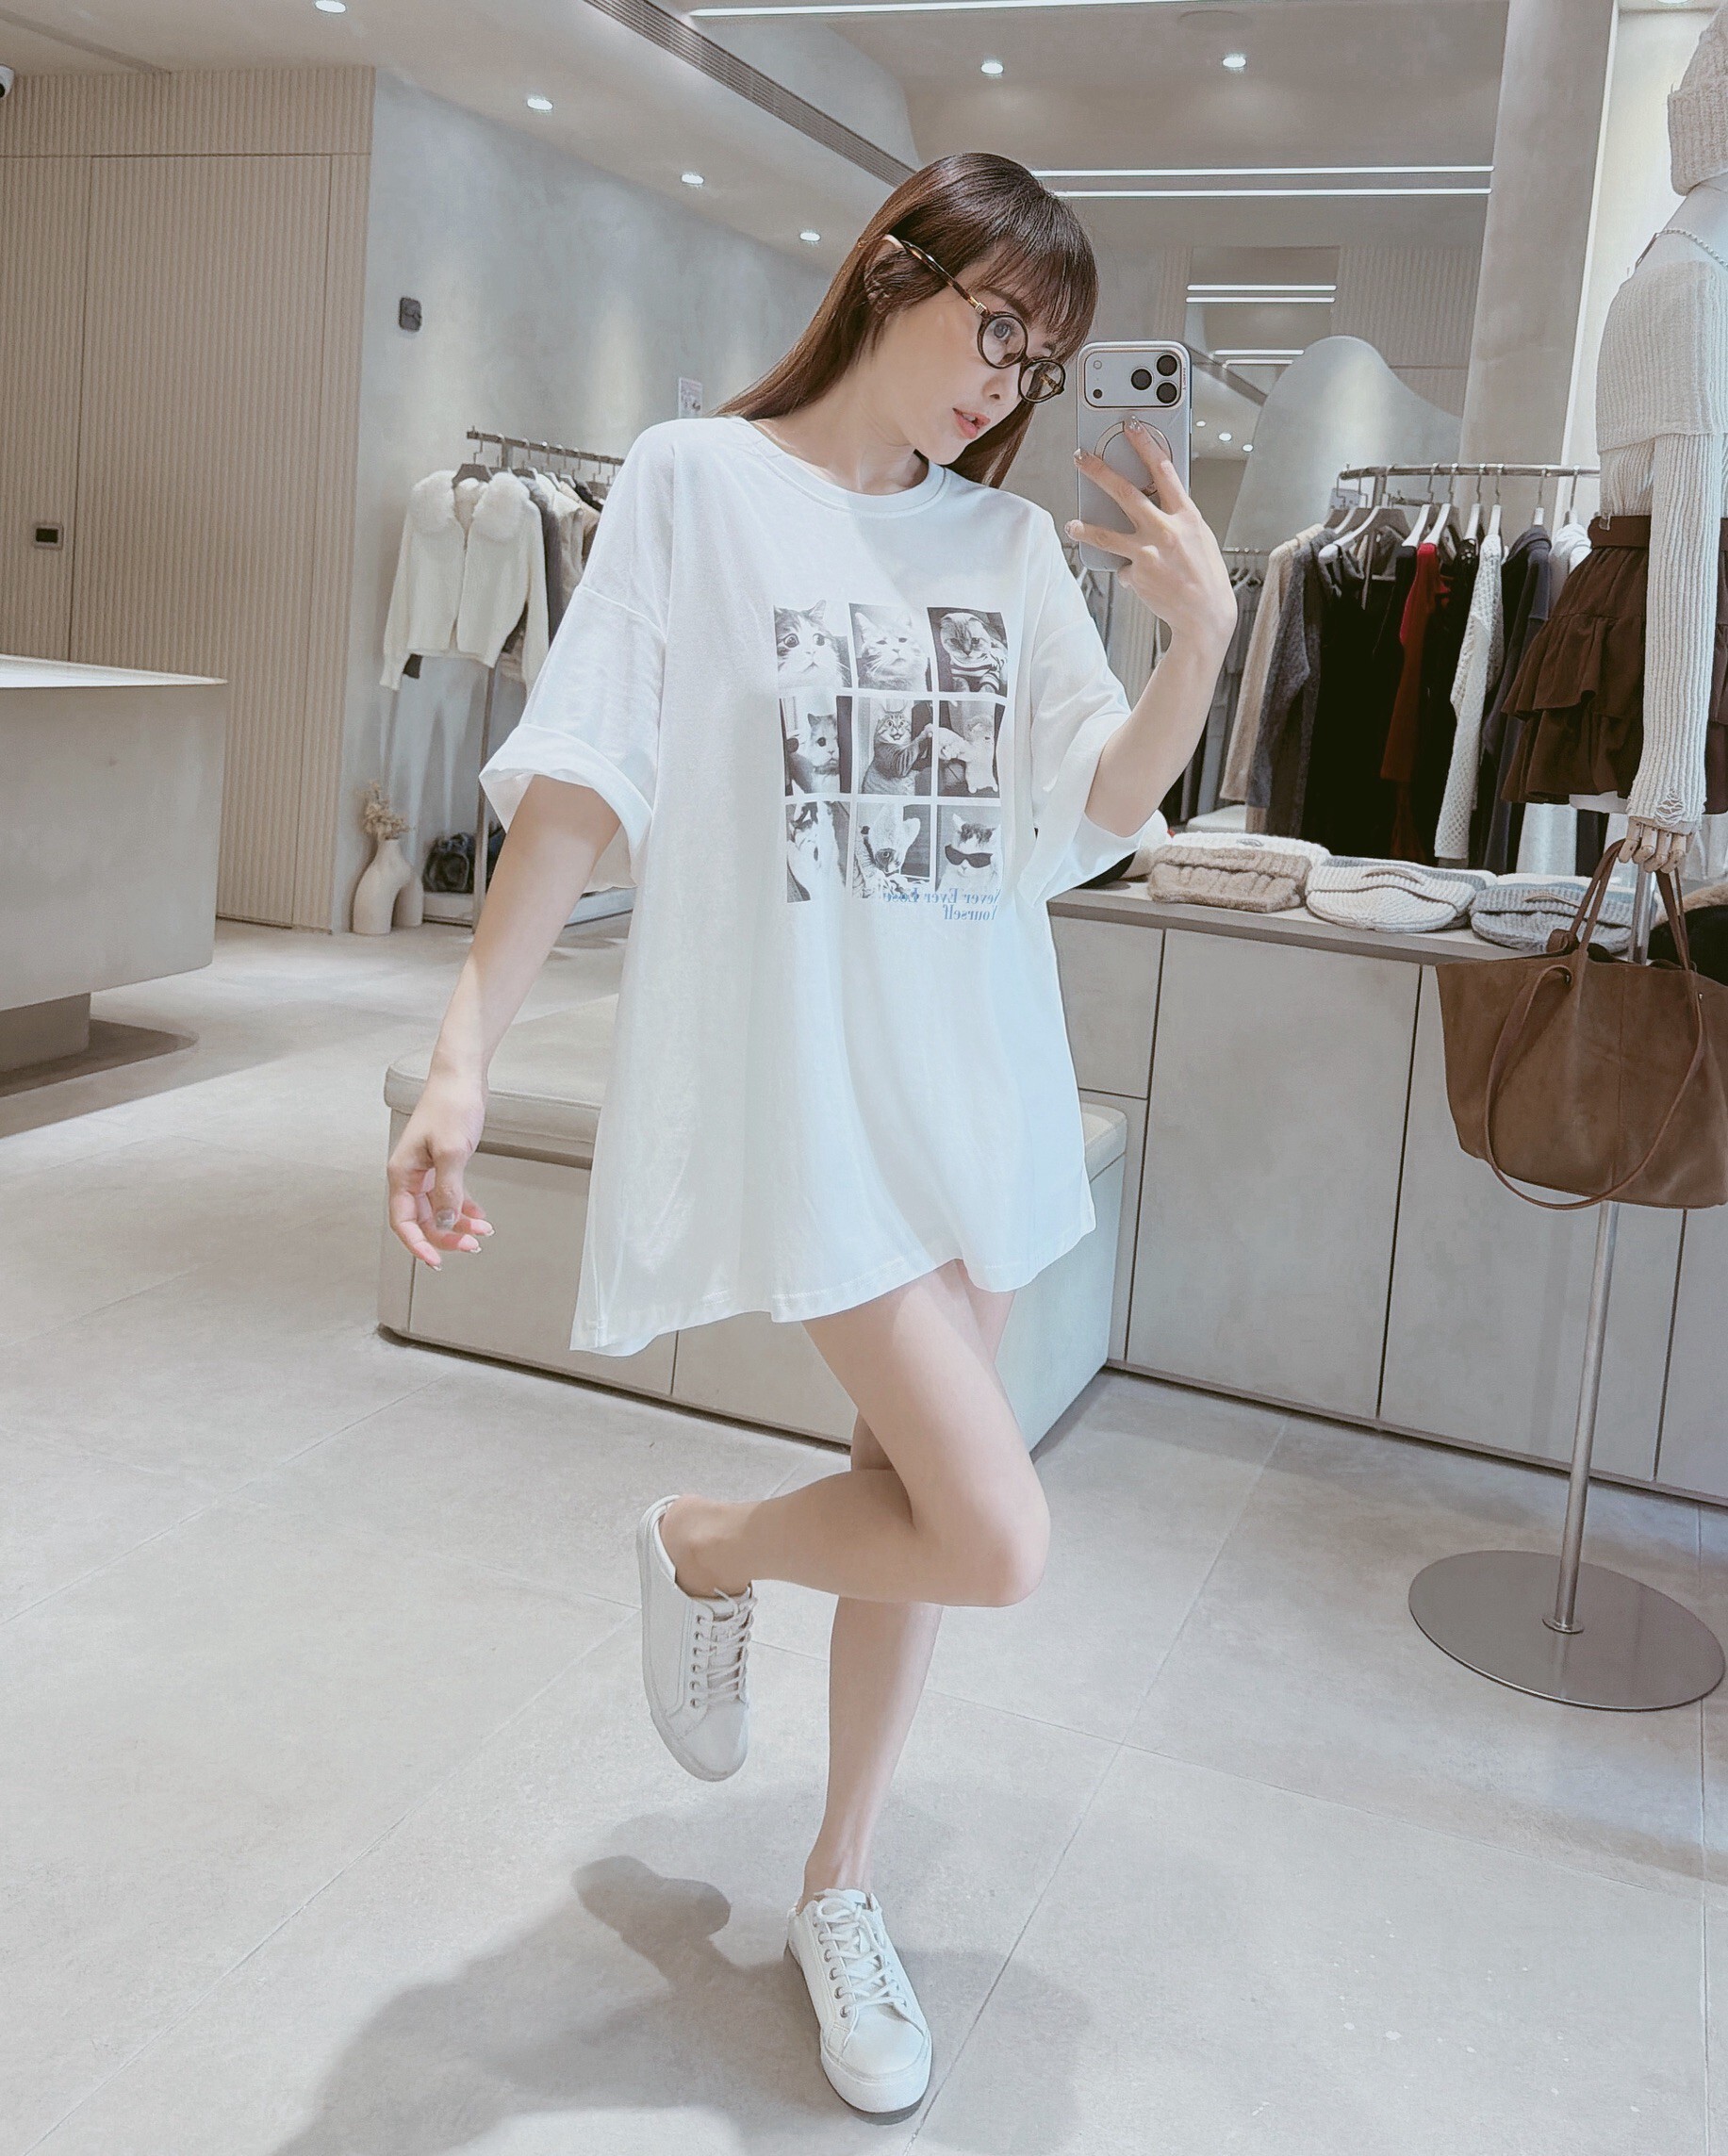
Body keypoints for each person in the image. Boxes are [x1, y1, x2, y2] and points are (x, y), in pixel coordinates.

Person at [386, 151, 1236, 2117]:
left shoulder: (1004, 552)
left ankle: (838, 1887)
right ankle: (703, 1544)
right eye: (998, 330)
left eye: (1041, 363)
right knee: (994, 1533)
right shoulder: (696, 484)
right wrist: (461, 1050)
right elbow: (581, 779)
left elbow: (1094, 802)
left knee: (914, 1511)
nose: (1005, 383)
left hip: (974, 1085)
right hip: (811, 1096)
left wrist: (1195, 642)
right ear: (895, 273)